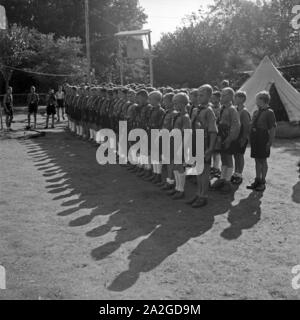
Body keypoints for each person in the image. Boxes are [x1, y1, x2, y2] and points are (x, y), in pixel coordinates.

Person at [186, 85, 218, 208]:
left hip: (204, 141)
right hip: (195, 140)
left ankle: (203, 196)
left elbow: (213, 131)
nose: (199, 97)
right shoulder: (195, 109)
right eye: (198, 95)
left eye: (202, 95)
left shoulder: (209, 111)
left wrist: (210, 148)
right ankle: (198, 193)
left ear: (209, 97)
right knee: (197, 170)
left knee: (204, 172)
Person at [212, 87, 240, 194]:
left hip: (228, 137)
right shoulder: (222, 108)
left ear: (230, 96)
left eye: (223, 95)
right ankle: (222, 178)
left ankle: (227, 181)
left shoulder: (232, 109)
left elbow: (236, 126)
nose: (221, 98)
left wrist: (229, 139)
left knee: (228, 158)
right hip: (221, 136)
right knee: (223, 157)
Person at [247, 91, 277, 192]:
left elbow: (272, 128)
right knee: (256, 159)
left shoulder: (269, 112)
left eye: (257, 99)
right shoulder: (256, 112)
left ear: (262, 100)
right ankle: (257, 180)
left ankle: (263, 182)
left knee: (263, 160)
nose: (256, 102)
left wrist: (270, 142)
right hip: (255, 138)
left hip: (263, 138)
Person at [167, 93, 192, 200]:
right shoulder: (178, 115)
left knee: (180, 167)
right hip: (174, 143)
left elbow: (187, 133)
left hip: (180, 144)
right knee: (175, 166)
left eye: (176, 103)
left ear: (182, 103)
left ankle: (181, 190)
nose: (174, 105)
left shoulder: (185, 117)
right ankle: (177, 187)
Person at [231, 91, 251, 185]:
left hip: (241, 137)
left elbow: (246, 126)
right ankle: (235, 172)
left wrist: (243, 138)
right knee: (235, 155)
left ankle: (239, 174)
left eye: (236, 98)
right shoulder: (235, 109)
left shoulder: (244, 111)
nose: (234, 99)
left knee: (240, 155)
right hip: (235, 136)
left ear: (242, 99)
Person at [210, 91, 222, 177]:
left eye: (214, 98)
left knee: (216, 151)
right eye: (212, 98)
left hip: (217, 131)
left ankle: (216, 168)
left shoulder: (221, 109)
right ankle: (212, 167)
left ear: (218, 98)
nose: (212, 99)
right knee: (211, 150)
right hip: (210, 131)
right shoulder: (210, 107)